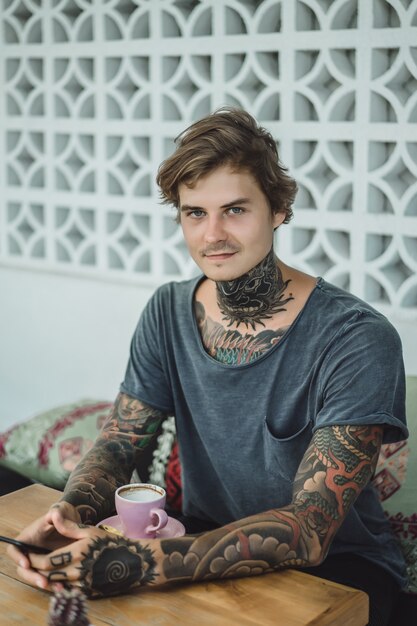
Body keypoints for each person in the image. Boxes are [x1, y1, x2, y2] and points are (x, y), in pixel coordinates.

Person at [8, 108, 408, 626]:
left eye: (235, 210)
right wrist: (71, 513)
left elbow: (310, 530)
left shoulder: (357, 338)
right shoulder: (167, 310)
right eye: (195, 213)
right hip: (196, 541)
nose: (213, 234)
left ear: (279, 209)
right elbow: (120, 440)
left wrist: (137, 564)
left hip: (340, 572)